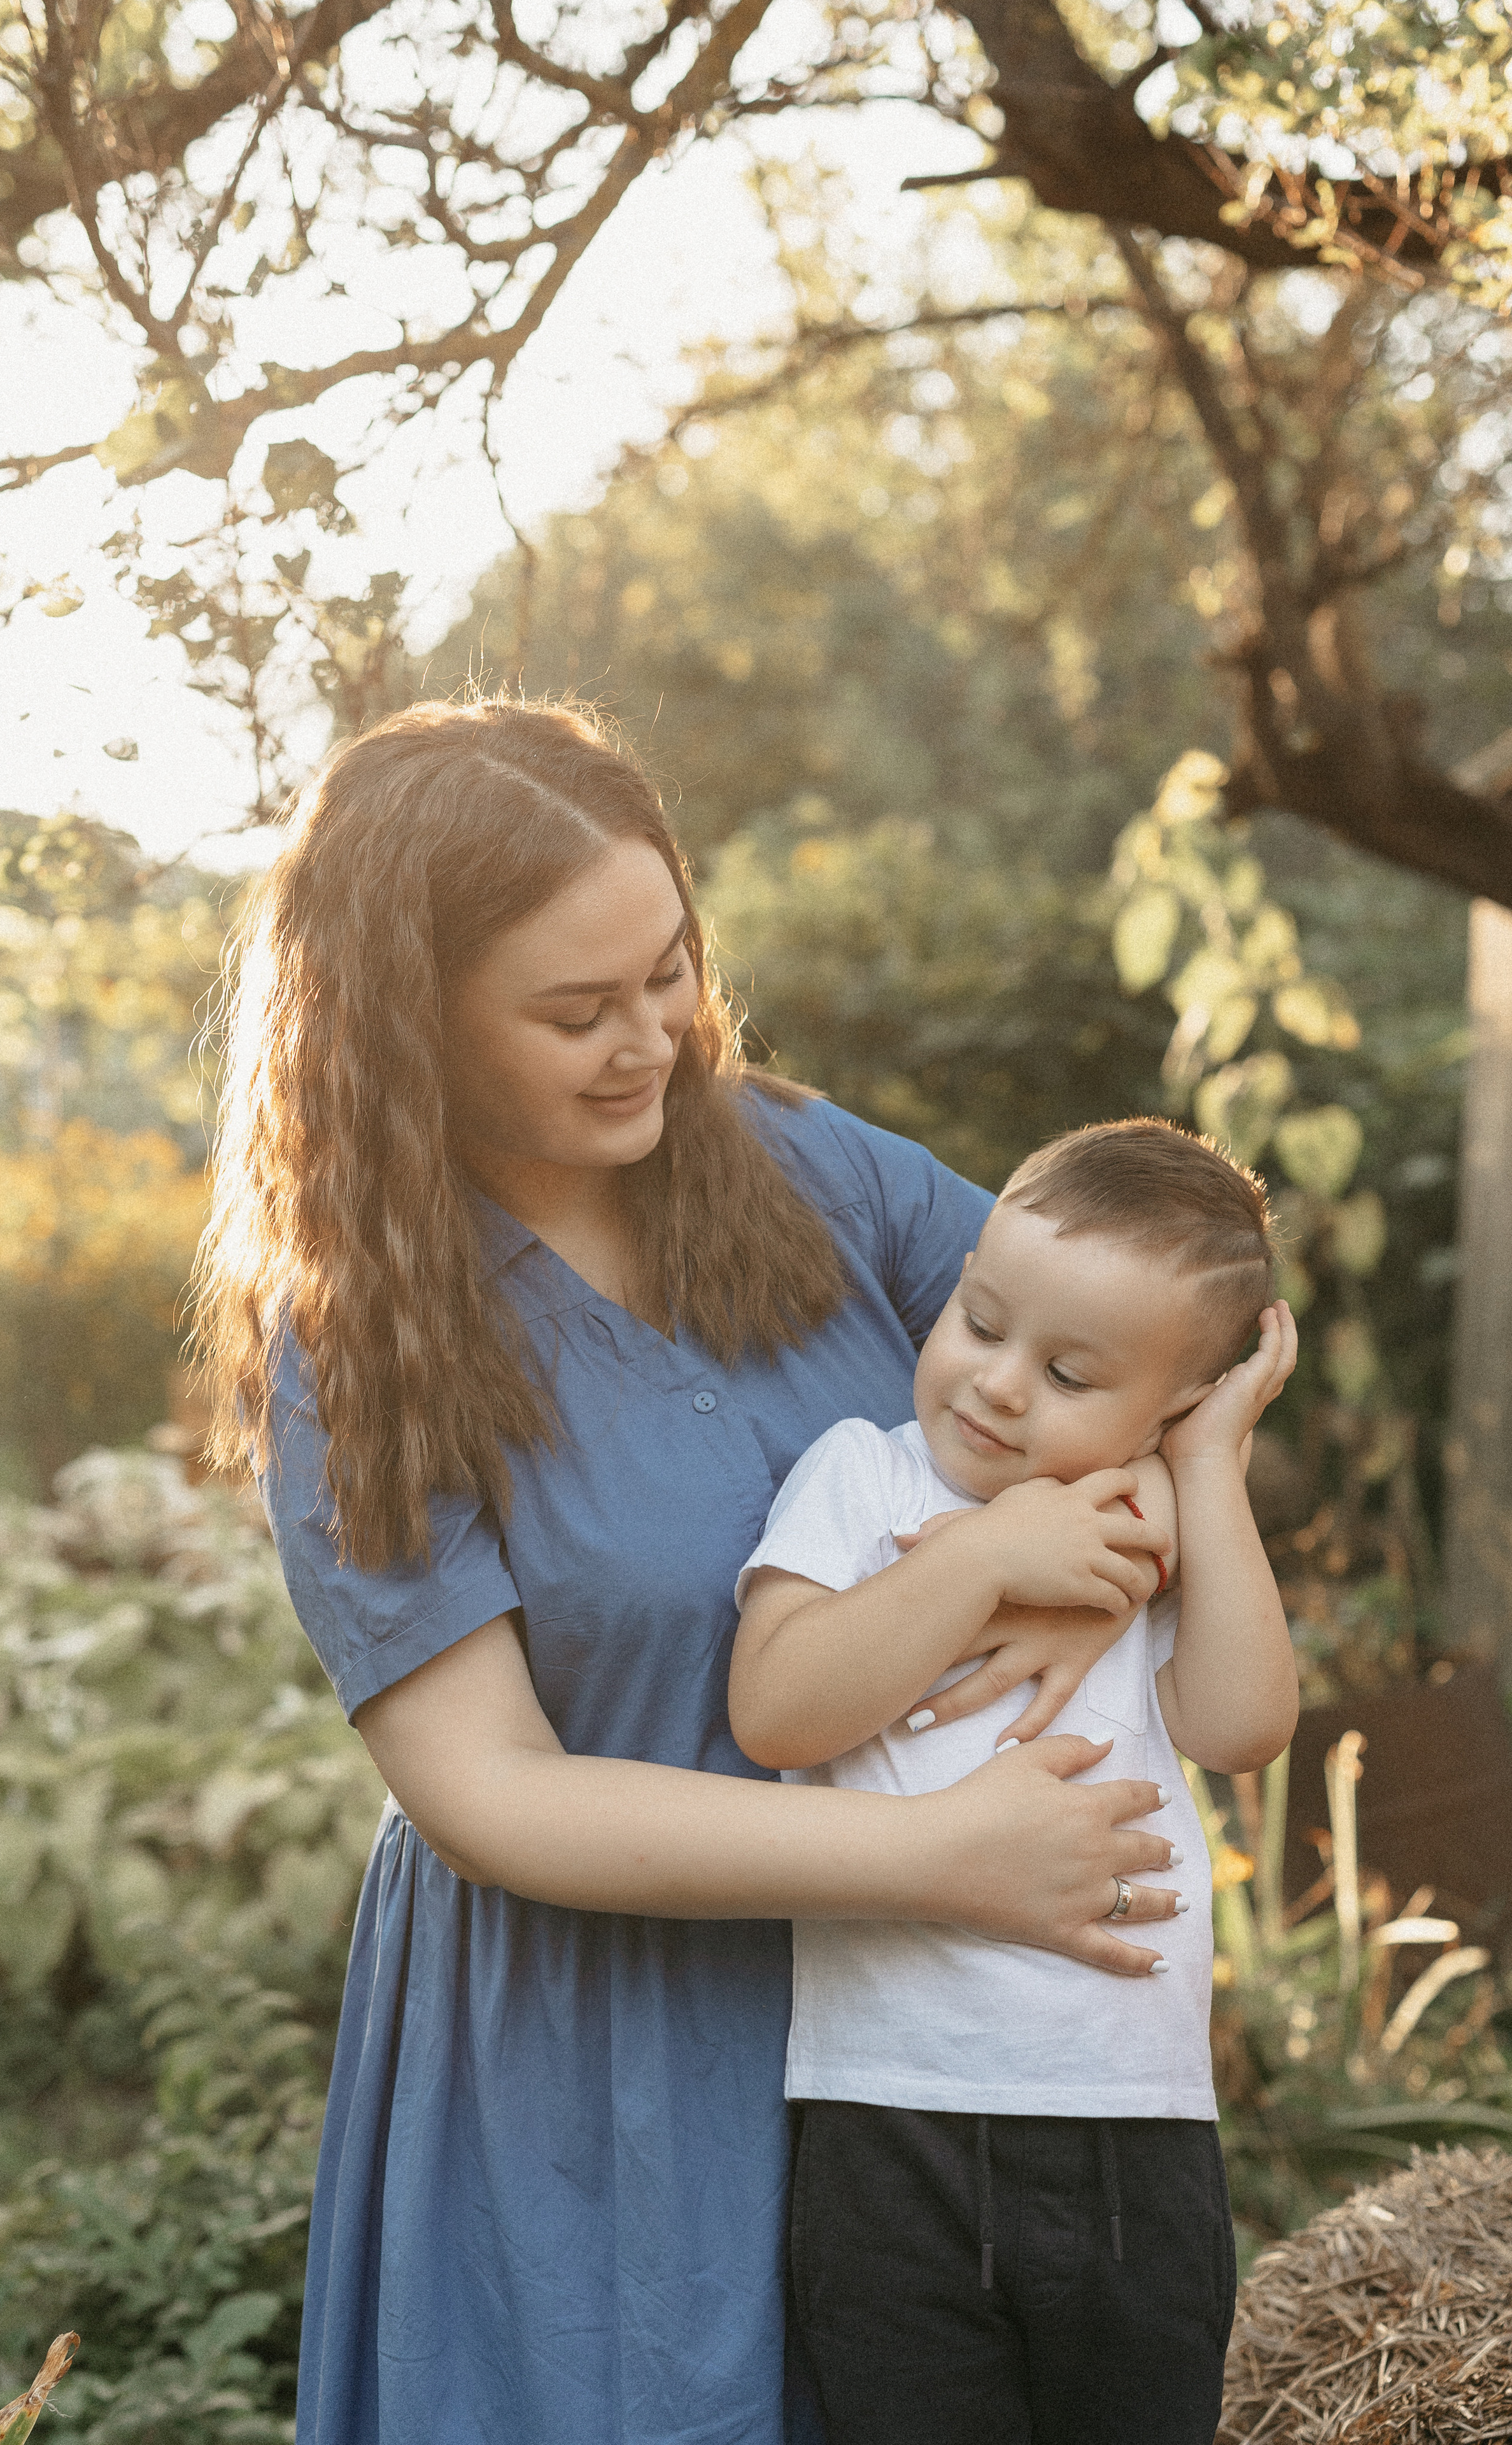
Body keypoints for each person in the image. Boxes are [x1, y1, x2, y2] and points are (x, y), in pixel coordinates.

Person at [195, 697, 1187, 2445]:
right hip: (601, 2057)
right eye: (575, 1011)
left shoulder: (809, 1165)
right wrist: (939, 1853)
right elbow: (493, 1794)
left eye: (669, 969)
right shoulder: (360, 1348)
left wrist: (1072, 1560)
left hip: (919, 2037)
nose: (651, 1037)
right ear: (401, 1031)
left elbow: (1168, 1350)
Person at [728, 1119, 1301, 2445]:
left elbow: (1240, 1723)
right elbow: (773, 1708)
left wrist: (1204, 1470)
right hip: (887, 2121)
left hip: (1129, 2123)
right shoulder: (860, 1479)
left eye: (1066, 1372)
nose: (994, 1386)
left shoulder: (1140, 1519)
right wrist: (981, 1561)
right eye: (978, 1323)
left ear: (1162, 1407)